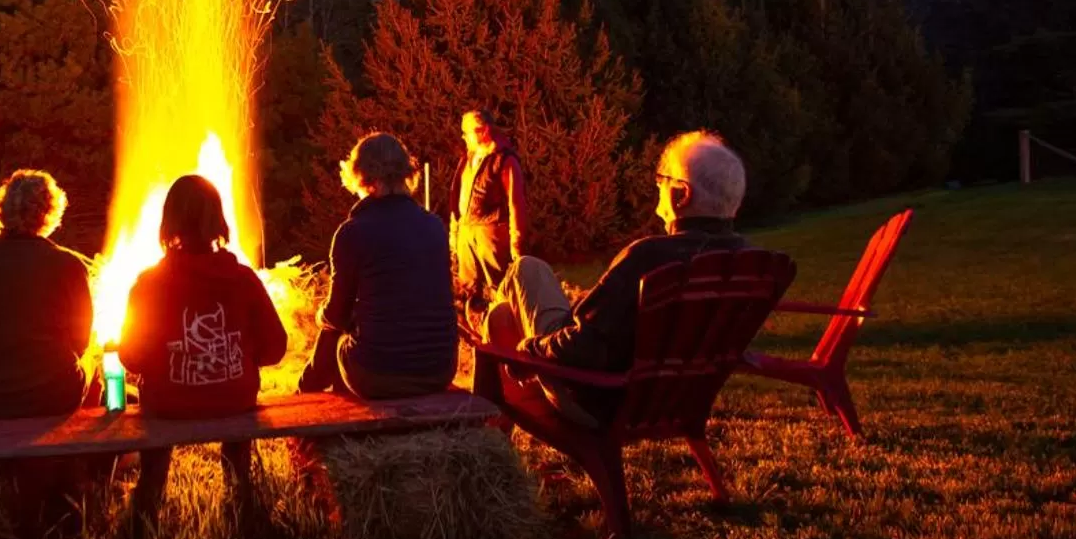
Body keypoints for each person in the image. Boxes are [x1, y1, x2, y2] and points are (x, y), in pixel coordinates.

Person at [485, 130, 749, 426]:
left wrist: (532, 348)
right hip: (679, 403)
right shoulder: (747, 261)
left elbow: (584, 348)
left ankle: (484, 419)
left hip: (599, 400)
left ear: (681, 194)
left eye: (662, 179)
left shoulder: (648, 257)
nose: (658, 187)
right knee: (502, 315)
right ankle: (491, 421)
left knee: (526, 269)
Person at [118, 175, 287, 528]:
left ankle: (146, 508)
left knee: (156, 423)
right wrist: (239, 357)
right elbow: (276, 347)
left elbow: (130, 355)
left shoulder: (149, 284)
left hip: (168, 403)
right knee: (233, 413)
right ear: (218, 221)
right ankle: (242, 503)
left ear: (168, 222)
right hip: (234, 397)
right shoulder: (243, 280)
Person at [299, 132, 459, 399]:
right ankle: (309, 391)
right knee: (361, 320)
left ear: (360, 176)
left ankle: (309, 394)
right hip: (439, 369)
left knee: (336, 331)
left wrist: (320, 316)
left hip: (378, 374)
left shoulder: (352, 232)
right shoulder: (434, 226)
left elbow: (337, 314)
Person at [0, 169, 93, 420]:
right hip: (54, 395)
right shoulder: (68, 265)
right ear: (50, 212)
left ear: (2, 211)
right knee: (93, 362)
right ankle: (91, 433)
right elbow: (81, 340)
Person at [452, 108, 526, 314]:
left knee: (499, 289)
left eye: (466, 132)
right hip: (467, 233)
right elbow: (457, 197)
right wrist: (455, 234)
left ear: (483, 131)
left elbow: (516, 203)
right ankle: (476, 327)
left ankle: (505, 326)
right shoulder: (467, 159)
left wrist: (516, 245)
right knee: (467, 291)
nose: (463, 137)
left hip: (491, 234)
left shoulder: (504, 160)